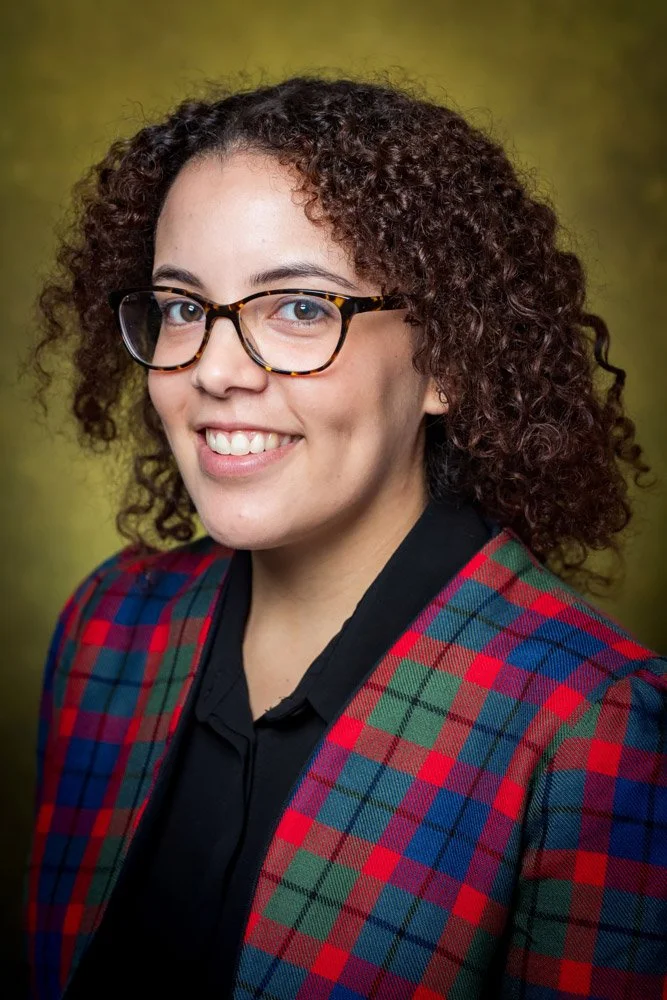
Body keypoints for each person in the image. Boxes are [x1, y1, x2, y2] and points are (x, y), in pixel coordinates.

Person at [25, 75, 665, 1000]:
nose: (212, 370)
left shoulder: (589, 728)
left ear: (448, 358)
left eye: (298, 308)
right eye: (181, 306)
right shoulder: (109, 629)